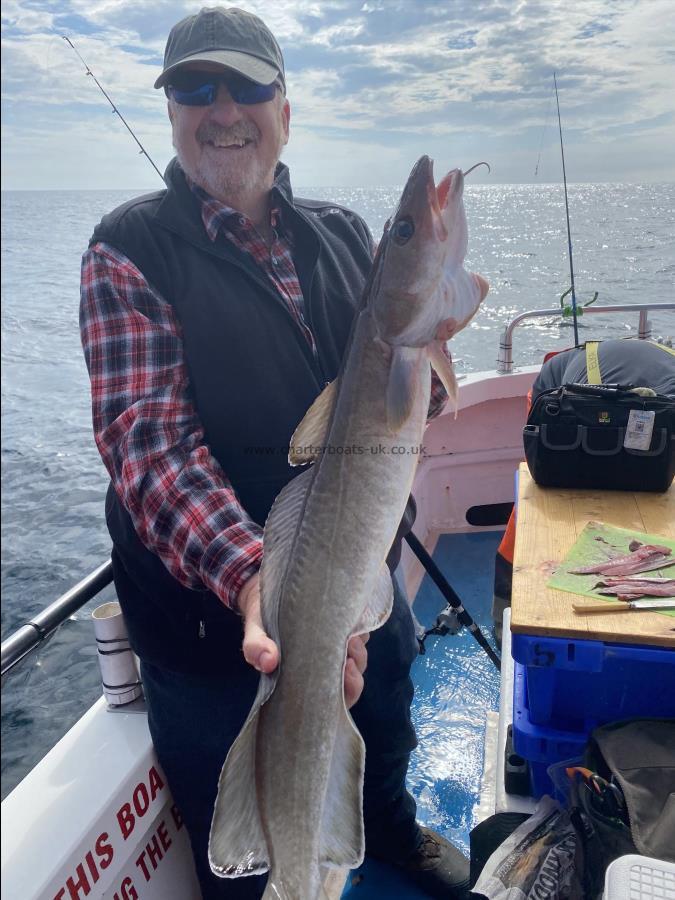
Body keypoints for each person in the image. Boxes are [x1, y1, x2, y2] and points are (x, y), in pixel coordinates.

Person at [80, 7, 473, 898]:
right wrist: (262, 585)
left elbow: (397, 404)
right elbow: (150, 450)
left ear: (285, 108)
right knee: (247, 794)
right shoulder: (127, 251)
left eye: (248, 86)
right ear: (172, 112)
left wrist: (435, 364)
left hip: (355, 561)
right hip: (210, 615)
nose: (223, 109)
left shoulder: (341, 234)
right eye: (194, 88)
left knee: (385, 711)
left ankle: (390, 833)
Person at [492, 336, 675, 643]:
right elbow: (538, 438)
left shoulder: (567, 359)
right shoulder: (556, 374)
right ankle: (507, 618)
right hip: (568, 401)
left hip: (654, 414)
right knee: (544, 485)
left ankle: (502, 620)